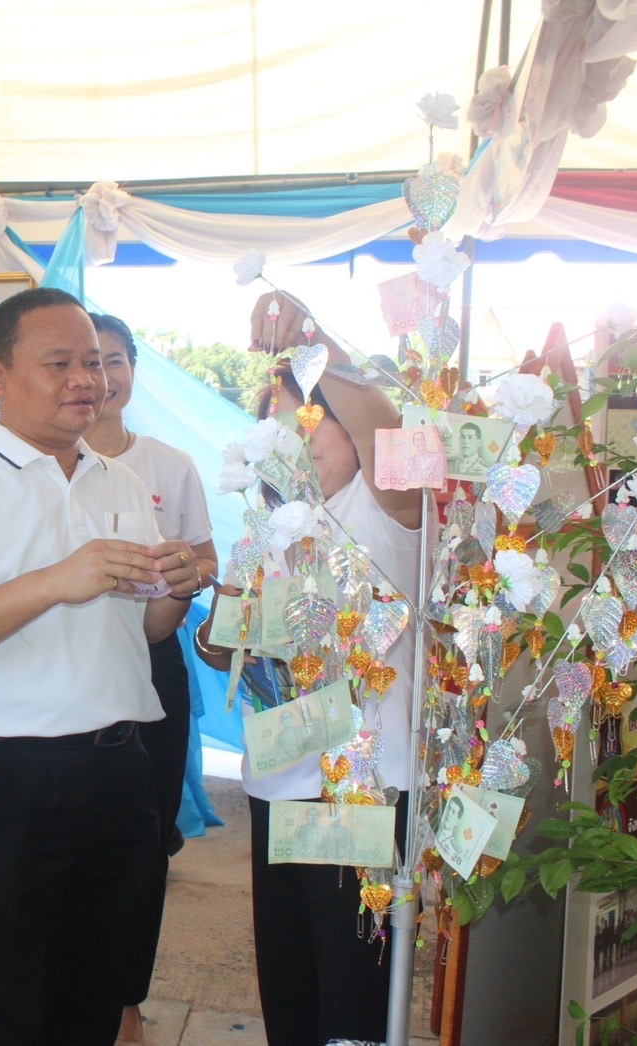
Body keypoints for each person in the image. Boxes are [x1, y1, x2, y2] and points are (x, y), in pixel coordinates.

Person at [0, 288, 197, 1045]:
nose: (84, 380)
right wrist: (57, 579)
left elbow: (145, 629)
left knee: (95, 988)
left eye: (92, 362)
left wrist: (177, 593)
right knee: (4, 994)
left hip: (122, 769)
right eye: (58, 363)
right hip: (15, 777)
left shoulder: (119, 480)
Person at [201, 290, 421, 1046]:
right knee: (288, 987)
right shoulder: (265, 529)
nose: (291, 441)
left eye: (308, 419)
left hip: (353, 794)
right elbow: (219, 645)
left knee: (351, 998)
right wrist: (224, 631)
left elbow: (384, 425)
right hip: (276, 780)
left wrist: (312, 340)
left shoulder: (383, 511)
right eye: (276, 424)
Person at [82, 311, 219, 1043]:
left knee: (144, 841)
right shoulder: (46, 462)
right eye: (86, 362)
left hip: (153, 663)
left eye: (114, 361)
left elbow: (205, 557)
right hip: (72, 663)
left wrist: (181, 576)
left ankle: (126, 1000)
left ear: (134, 371)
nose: (100, 378)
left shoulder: (169, 464)